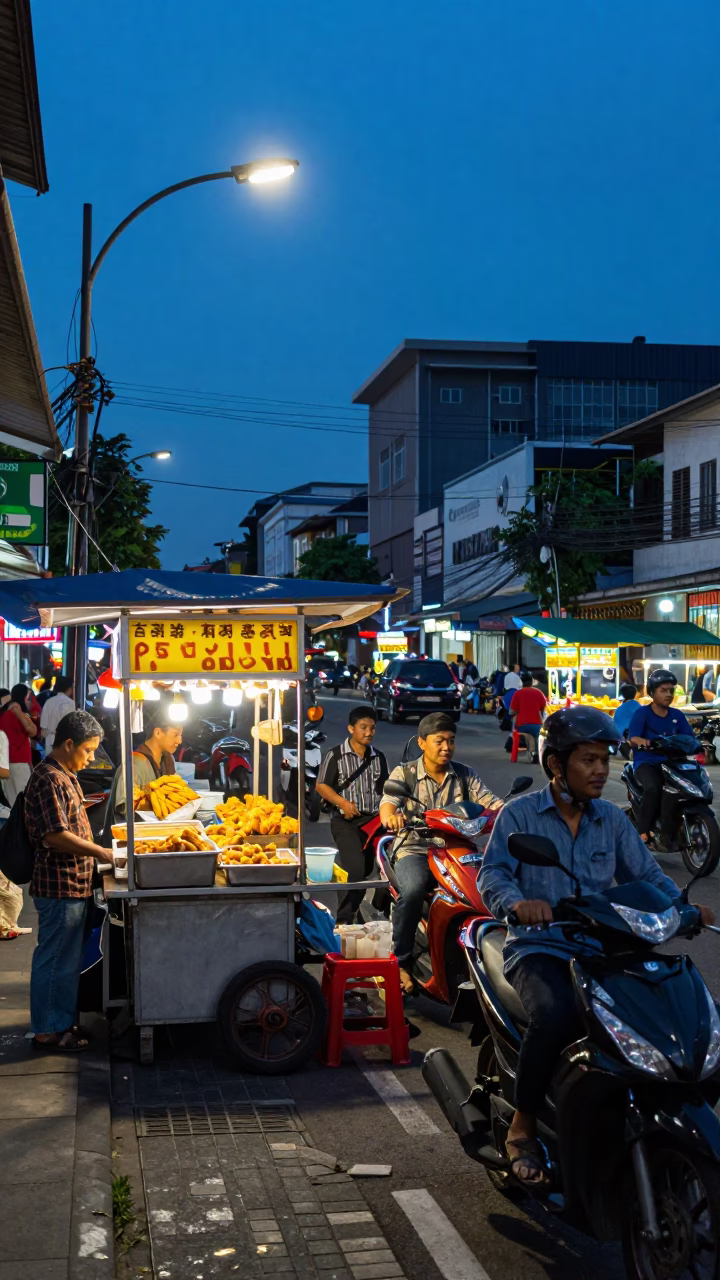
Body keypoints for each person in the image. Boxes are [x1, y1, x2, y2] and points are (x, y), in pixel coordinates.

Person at [479, 705, 713, 1184]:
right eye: (588, 760)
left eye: (604, 760)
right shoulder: (520, 815)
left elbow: (646, 874)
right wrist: (518, 903)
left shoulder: (611, 818)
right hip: (542, 946)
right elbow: (494, 873)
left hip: (607, 947)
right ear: (556, 764)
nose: (601, 770)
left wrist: (682, 907)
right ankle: (523, 1127)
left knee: (676, 1011)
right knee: (557, 1013)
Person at [379, 712, 498, 994]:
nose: (446, 747)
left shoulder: (465, 774)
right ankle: (402, 961)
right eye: (439, 741)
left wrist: (511, 814)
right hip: (415, 847)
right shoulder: (405, 773)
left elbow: (492, 802)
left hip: (456, 849)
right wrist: (391, 817)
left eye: (451, 741)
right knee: (414, 889)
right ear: (422, 742)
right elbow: (388, 803)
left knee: (492, 890)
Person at [26, 709, 112, 1052]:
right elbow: (55, 835)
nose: (90, 758)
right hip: (58, 886)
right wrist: (100, 853)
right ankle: (47, 1031)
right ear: (68, 743)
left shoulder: (65, 775)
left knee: (65, 961)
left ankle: (61, 1022)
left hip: (73, 884)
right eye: (87, 750)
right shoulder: (48, 778)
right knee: (54, 960)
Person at [316, 706, 389, 923]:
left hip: (373, 822)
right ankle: (344, 921)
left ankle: (368, 911)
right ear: (351, 729)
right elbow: (321, 786)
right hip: (345, 821)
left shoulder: (379, 758)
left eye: (372, 728)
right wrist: (343, 803)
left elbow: (385, 789)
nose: (369, 732)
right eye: (363, 727)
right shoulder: (335, 755)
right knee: (356, 872)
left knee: (383, 869)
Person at [628, 668, 694, 842]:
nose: (668, 694)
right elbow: (632, 738)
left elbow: (689, 736)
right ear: (652, 692)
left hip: (673, 762)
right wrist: (643, 742)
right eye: (663, 690)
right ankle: (643, 831)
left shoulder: (677, 715)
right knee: (653, 788)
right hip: (647, 762)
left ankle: (672, 824)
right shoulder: (642, 713)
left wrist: (696, 744)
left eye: (671, 690)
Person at [108, 705, 183, 819]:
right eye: (175, 735)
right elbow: (125, 805)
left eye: (180, 735)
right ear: (157, 733)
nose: (179, 740)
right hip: (133, 833)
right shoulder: (134, 763)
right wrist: (162, 803)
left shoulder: (168, 761)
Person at [0, 683, 37, 805]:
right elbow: (32, 731)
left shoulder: (2, 715)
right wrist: (20, 713)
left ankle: (12, 824)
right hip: (19, 764)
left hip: (4, 765)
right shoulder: (20, 715)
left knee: (10, 803)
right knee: (24, 802)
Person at [509, 672, 546, 761]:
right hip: (537, 725)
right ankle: (536, 753)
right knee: (540, 735)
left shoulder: (517, 693)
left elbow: (511, 712)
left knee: (526, 734)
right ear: (532, 682)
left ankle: (531, 752)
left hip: (521, 726)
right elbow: (544, 708)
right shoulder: (539, 693)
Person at [40, 675, 75, 752]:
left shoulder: (48, 702)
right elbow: (71, 726)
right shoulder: (71, 703)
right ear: (69, 689)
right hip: (65, 744)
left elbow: (43, 729)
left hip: (49, 742)